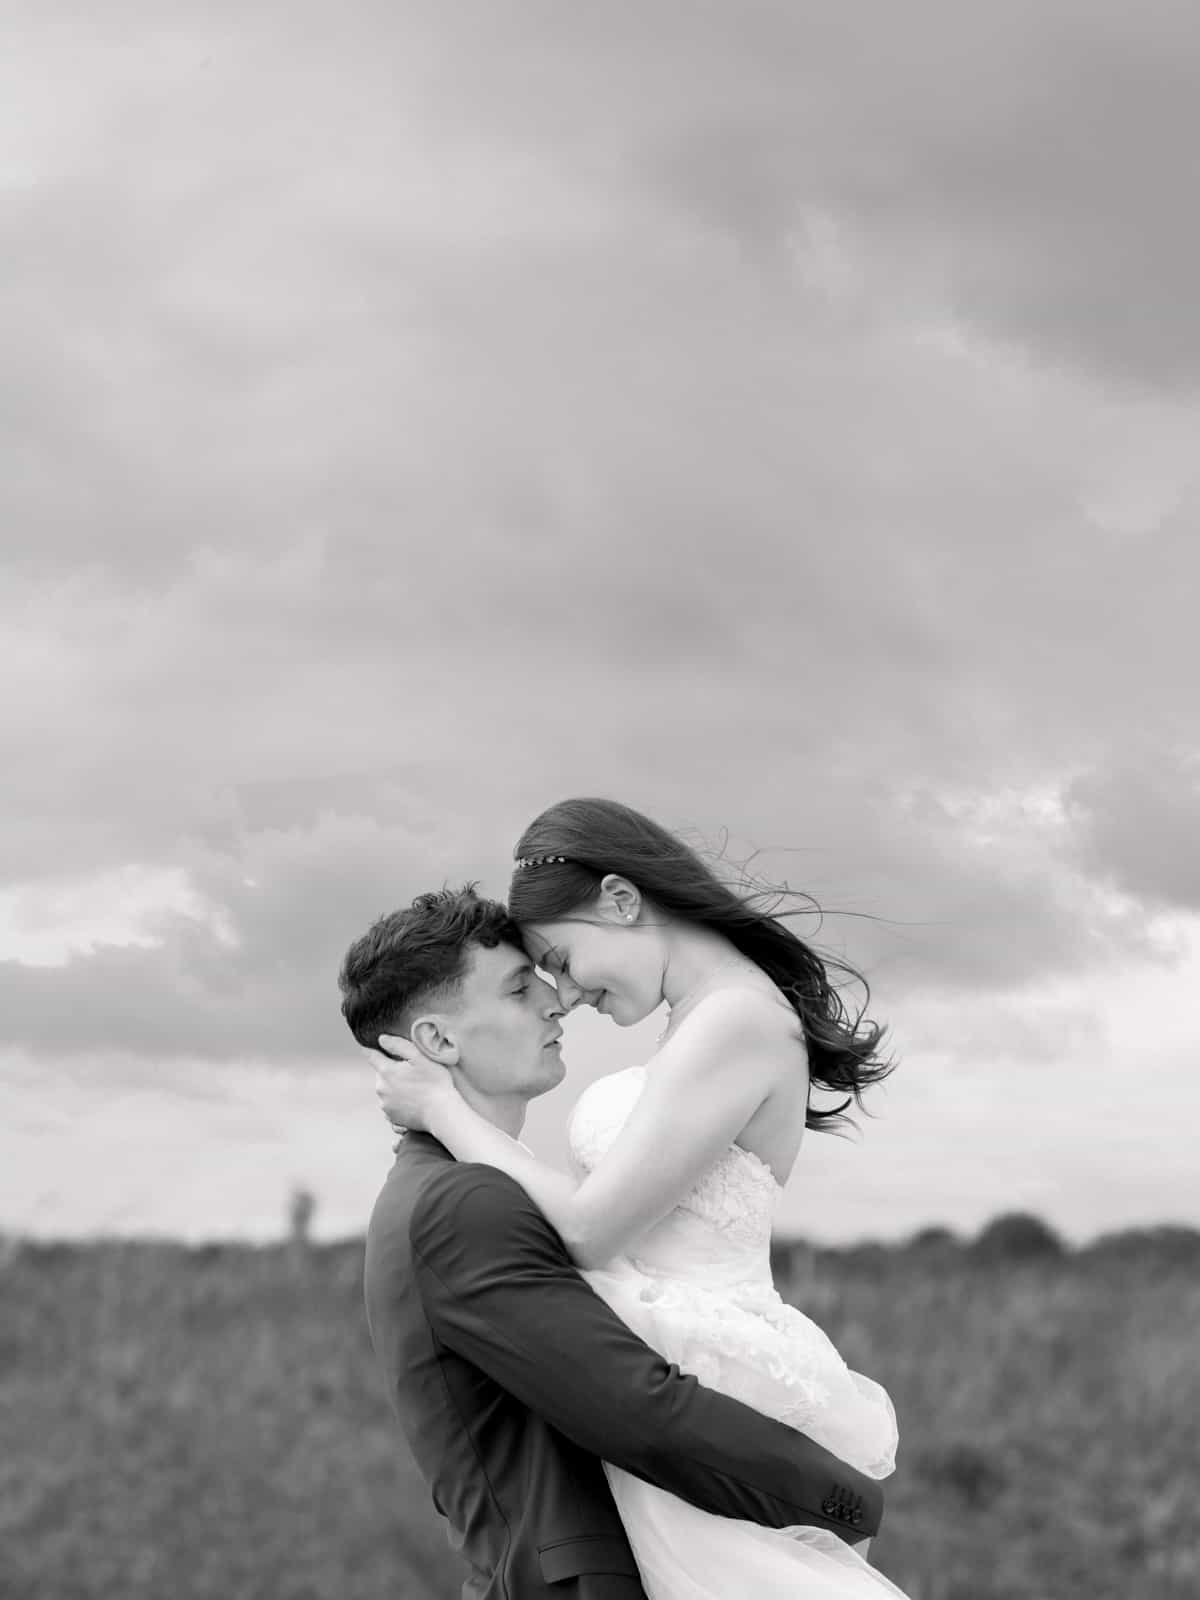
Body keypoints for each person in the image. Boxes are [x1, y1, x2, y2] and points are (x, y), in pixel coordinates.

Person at [369, 798, 911, 1599]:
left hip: (702, 1379)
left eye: (559, 958)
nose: (567, 994)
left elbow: (588, 1230)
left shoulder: (736, 1019)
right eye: (536, 979)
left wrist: (442, 1109)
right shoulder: (705, 1021)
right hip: (666, 1380)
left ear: (623, 902)